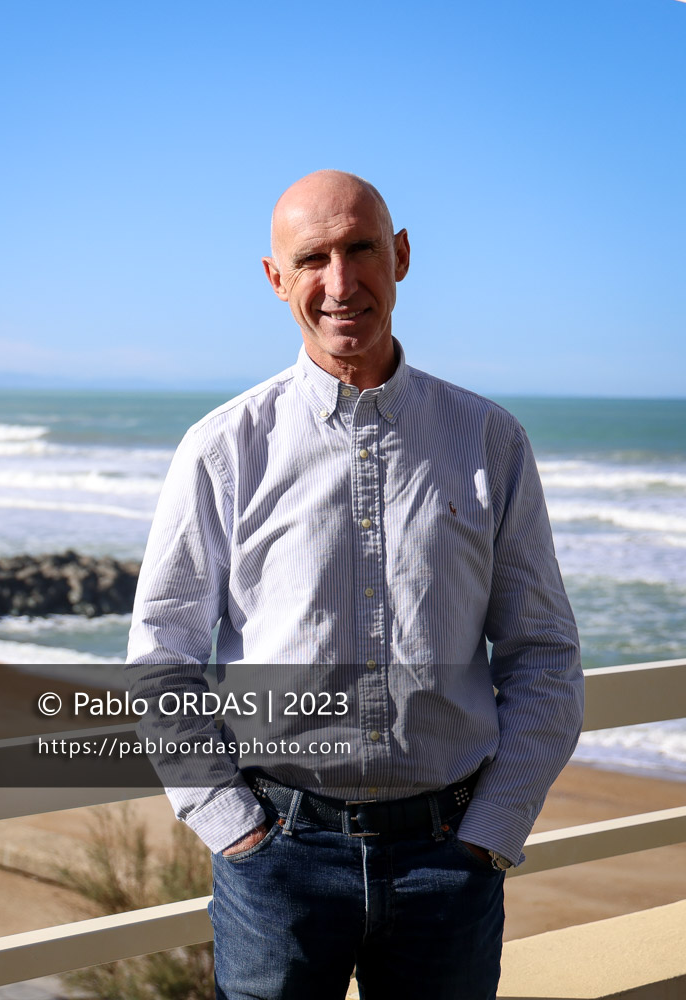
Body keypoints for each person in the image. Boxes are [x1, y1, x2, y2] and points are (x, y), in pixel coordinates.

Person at [126, 170, 583, 1000]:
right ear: (276, 280)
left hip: (450, 862)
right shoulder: (225, 449)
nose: (341, 283)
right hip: (277, 864)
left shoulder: (489, 440)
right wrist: (235, 829)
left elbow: (544, 654)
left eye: (361, 249)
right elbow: (162, 659)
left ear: (400, 255)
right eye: (312, 259)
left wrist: (492, 831)